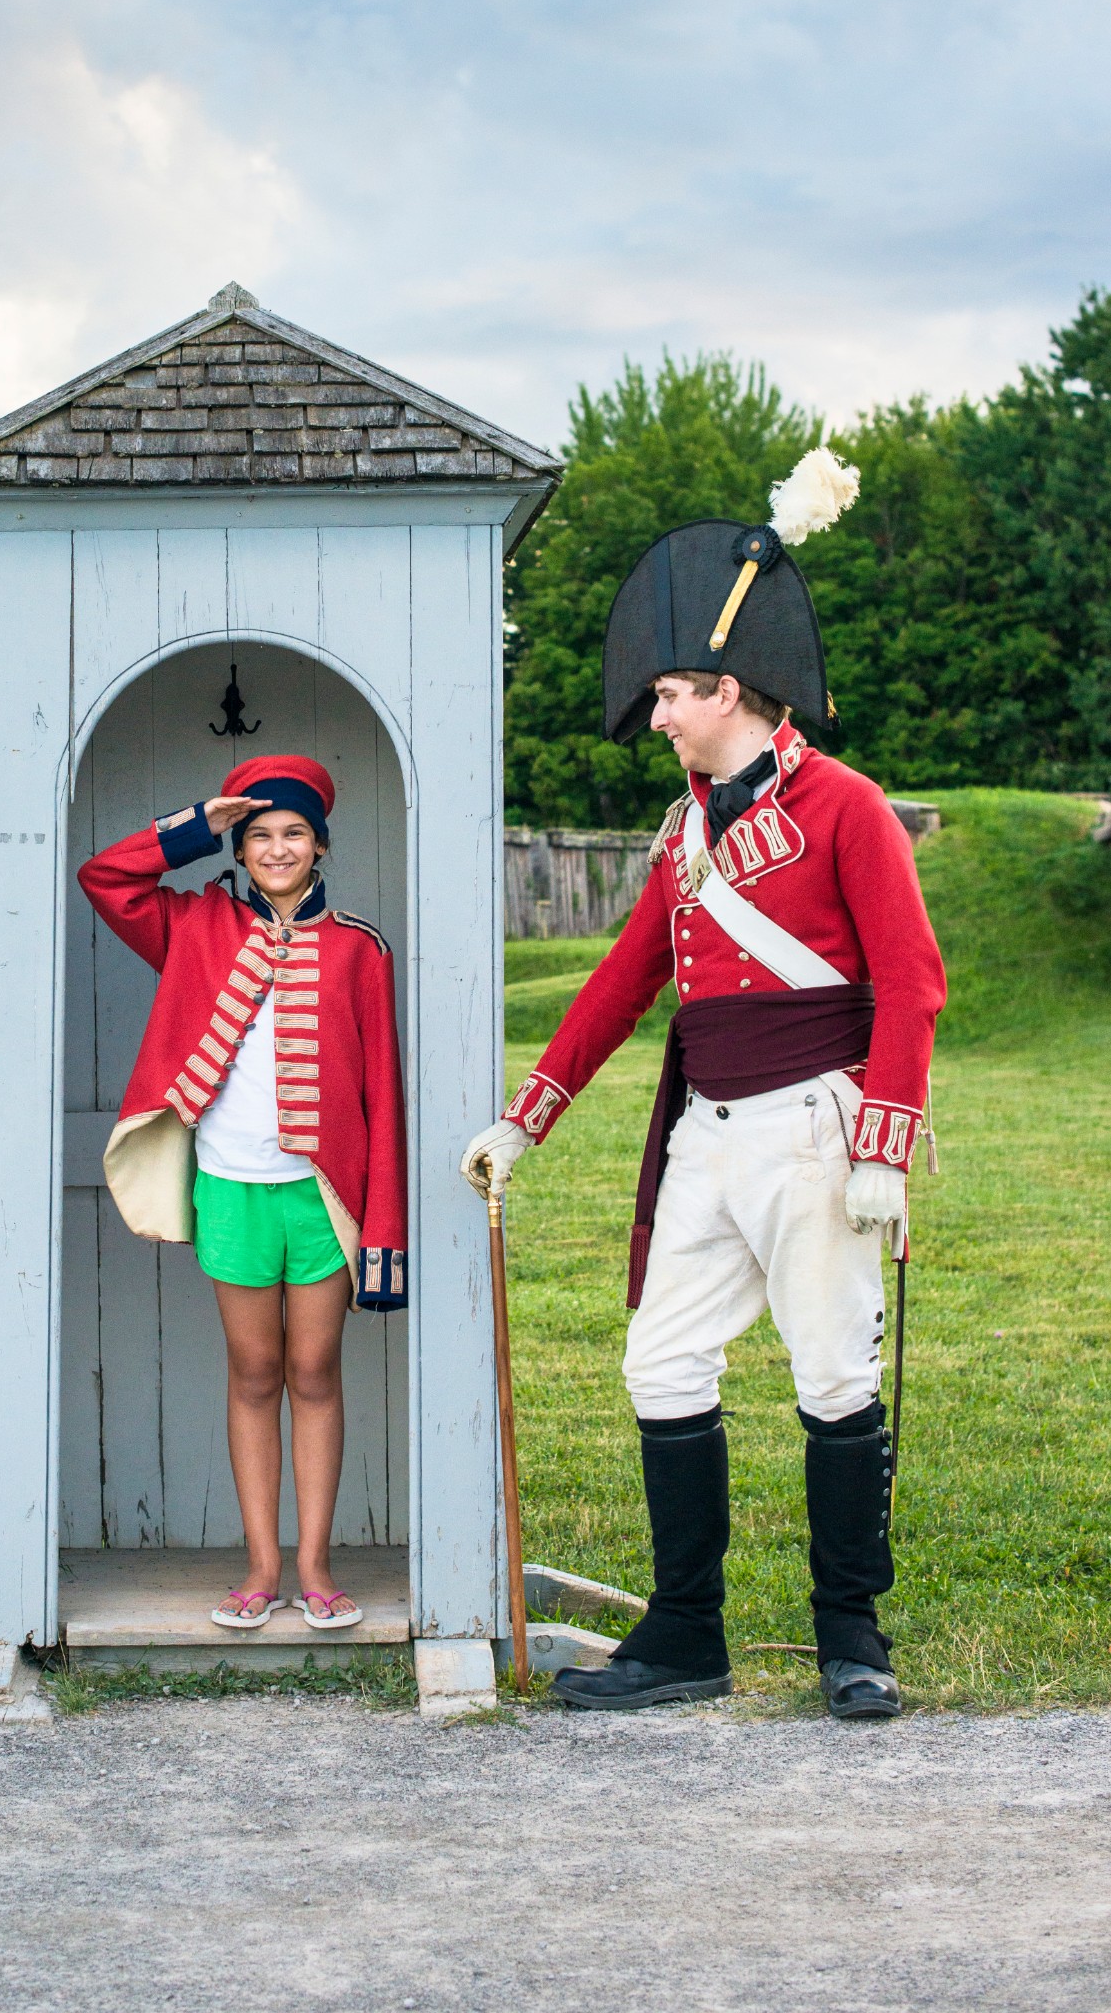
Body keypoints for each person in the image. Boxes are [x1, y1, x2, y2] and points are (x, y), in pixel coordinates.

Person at [462, 450, 946, 1720]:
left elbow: (911, 981)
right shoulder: (682, 832)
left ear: (727, 690)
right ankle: (684, 1636)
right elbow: (625, 981)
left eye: (671, 695)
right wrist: (524, 1120)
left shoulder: (846, 806)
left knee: (832, 1378)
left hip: (813, 1133)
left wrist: (883, 1144)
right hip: (705, 1135)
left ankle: (850, 1635)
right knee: (662, 1365)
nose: (658, 718)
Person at [78, 753, 406, 1635]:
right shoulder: (194, 925)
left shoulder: (361, 948)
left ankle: (315, 1567)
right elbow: (105, 878)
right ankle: (262, 1568)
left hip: (321, 1195)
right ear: (239, 845)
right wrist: (196, 825)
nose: (277, 848)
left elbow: (383, 1095)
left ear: (321, 846)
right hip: (229, 1188)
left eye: (294, 833)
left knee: (314, 1371)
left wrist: (384, 1225)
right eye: (259, 834)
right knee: (255, 1372)